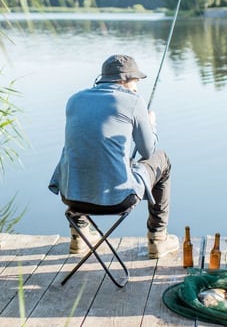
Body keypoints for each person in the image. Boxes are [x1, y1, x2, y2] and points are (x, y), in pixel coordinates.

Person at [49, 54, 177, 259]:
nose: (137, 87)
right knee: (163, 159)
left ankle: (79, 235)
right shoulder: (134, 101)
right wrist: (151, 123)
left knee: (77, 151)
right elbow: (147, 151)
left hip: (72, 198)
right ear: (125, 80)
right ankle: (157, 238)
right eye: (136, 82)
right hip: (118, 199)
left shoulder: (74, 100)